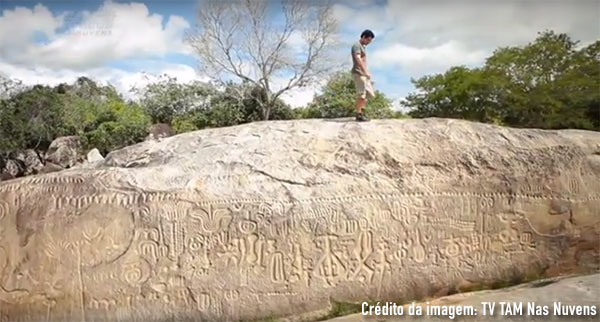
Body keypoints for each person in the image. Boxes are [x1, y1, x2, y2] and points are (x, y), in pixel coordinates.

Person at [351, 29, 375, 122]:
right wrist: (365, 71)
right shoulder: (356, 45)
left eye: (370, 41)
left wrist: (367, 72)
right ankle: (358, 114)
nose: (369, 42)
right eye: (368, 40)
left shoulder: (363, 47)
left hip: (364, 74)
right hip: (358, 73)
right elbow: (357, 58)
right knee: (361, 95)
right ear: (363, 37)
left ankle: (362, 112)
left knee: (369, 94)